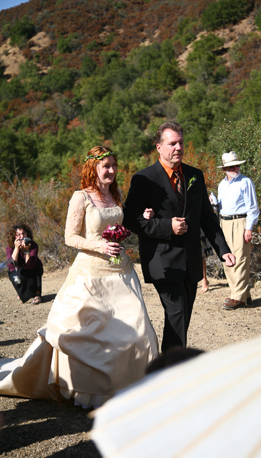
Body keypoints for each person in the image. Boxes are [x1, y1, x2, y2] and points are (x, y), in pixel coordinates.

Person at [0, 146, 158, 408]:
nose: (111, 170)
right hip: (90, 274)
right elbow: (69, 237)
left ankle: (131, 383)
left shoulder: (115, 194)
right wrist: (100, 246)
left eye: (114, 165)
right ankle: (89, 390)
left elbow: (118, 227)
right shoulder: (81, 197)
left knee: (138, 332)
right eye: (105, 165)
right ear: (93, 168)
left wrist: (139, 220)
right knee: (90, 335)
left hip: (121, 270)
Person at [124, 121, 235, 353]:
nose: (178, 147)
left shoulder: (195, 175)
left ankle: (170, 362)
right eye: (172, 143)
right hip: (162, 262)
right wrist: (167, 226)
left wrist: (223, 249)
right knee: (177, 312)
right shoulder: (144, 179)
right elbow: (131, 219)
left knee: (183, 316)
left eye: (181, 142)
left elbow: (207, 217)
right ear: (159, 147)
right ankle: (172, 370)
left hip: (191, 261)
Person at [217, 151, 259, 310]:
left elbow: (253, 207)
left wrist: (249, 228)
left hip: (240, 221)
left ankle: (237, 297)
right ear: (224, 170)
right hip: (224, 222)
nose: (235, 168)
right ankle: (244, 294)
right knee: (227, 259)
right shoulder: (221, 185)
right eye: (230, 167)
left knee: (241, 259)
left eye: (236, 165)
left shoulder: (246, 182)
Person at [6, 223, 43, 304]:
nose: (22, 236)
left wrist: (26, 251)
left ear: (27, 234)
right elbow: (11, 265)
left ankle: (37, 294)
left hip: (31, 268)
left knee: (37, 265)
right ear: (14, 236)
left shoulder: (33, 245)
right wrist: (16, 249)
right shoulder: (10, 247)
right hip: (16, 270)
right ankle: (21, 293)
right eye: (18, 234)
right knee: (17, 275)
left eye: (24, 233)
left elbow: (30, 266)